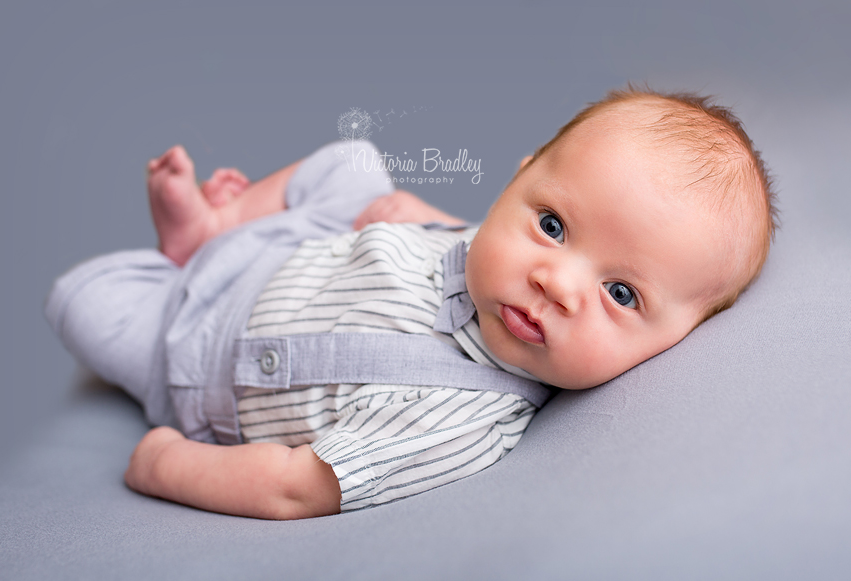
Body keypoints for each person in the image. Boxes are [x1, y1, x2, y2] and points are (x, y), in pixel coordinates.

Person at [45, 86, 777, 520]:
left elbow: (294, 490)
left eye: (621, 293)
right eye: (551, 225)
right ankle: (208, 230)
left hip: (196, 348)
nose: (556, 281)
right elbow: (470, 233)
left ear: (676, 339)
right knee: (354, 166)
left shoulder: (460, 424)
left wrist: (166, 466)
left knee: (80, 300)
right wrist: (415, 214)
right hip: (302, 249)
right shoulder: (495, 259)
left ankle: (180, 262)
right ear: (514, 184)